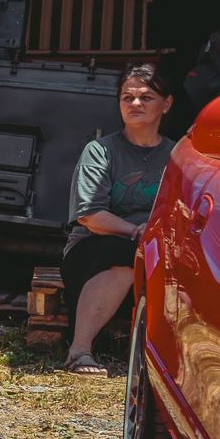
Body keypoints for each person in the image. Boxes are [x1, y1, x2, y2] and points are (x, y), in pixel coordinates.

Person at [61, 63, 176, 376]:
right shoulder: (100, 151)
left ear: (166, 104)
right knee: (125, 255)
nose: (135, 103)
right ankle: (79, 351)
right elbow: (89, 215)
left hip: (156, 252)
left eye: (146, 97)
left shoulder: (179, 157)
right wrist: (136, 231)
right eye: (127, 97)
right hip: (94, 251)